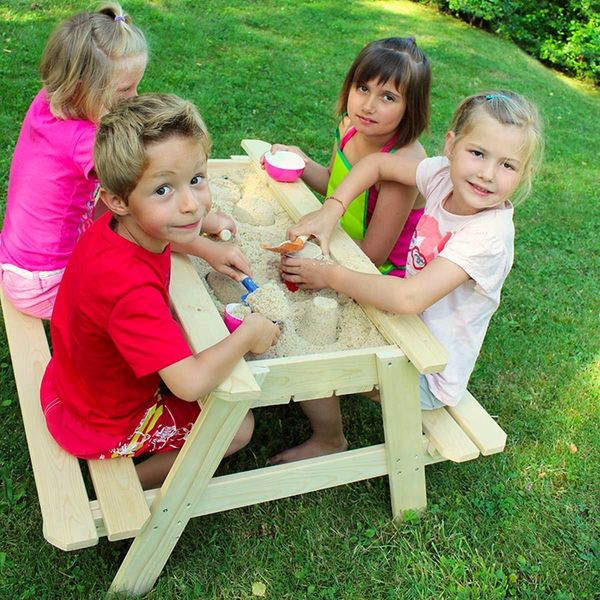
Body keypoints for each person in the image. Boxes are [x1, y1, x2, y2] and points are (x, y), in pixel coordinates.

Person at [276, 90, 543, 463]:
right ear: (451, 145)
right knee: (312, 311)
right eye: (478, 153)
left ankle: (329, 440)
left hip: (428, 370)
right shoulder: (441, 176)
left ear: (524, 174)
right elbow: (376, 166)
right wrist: (333, 208)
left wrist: (330, 275)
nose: (487, 173)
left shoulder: (488, 237)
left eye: (508, 165)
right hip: (401, 329)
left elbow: (408, 298)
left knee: (311, 348)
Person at [40, 94, 280, 489]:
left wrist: (204, 246)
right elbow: (187, 382)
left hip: (75, 382)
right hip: (104, 420)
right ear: (117, 200)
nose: (191, 205)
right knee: (237, 427)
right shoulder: (130, 290)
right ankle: (130, 484)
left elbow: (159, 232)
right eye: (163, 190)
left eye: (196, 180)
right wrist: (249, 335)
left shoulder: (114, 226)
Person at [0, 3, 248, 319]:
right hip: (47, 283)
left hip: (20, 259)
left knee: (120, 199)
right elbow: (146, 212)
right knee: (137, 245)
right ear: (80, 87)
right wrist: (205, 247)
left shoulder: (50, 100)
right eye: (123, 91)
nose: (133, 97)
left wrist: (203, 222)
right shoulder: (87, 142)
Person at [267, 37, 431, 277]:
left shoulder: (404, 164)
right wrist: (302, 163)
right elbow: (333, 184)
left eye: (388, 97)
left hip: (378, 273)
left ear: (411, 107)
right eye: (363, 88)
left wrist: (311, 245)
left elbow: (373, 256)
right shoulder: (349, 127)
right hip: (336, 239)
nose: (368, 106)